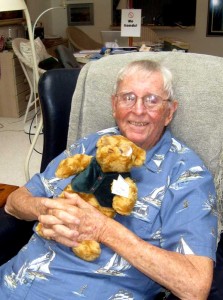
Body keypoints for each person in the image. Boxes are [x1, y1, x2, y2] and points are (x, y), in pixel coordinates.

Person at [0, 60, 217, 299]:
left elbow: (195, 286)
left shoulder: (187, 173)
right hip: (11, 282)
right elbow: (14, 202)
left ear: (170, 112)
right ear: (114, 106)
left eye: (152, 99)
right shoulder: (91, 144)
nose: (138, 110)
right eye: (128, 98)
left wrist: (102, 228)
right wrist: (45, 207)